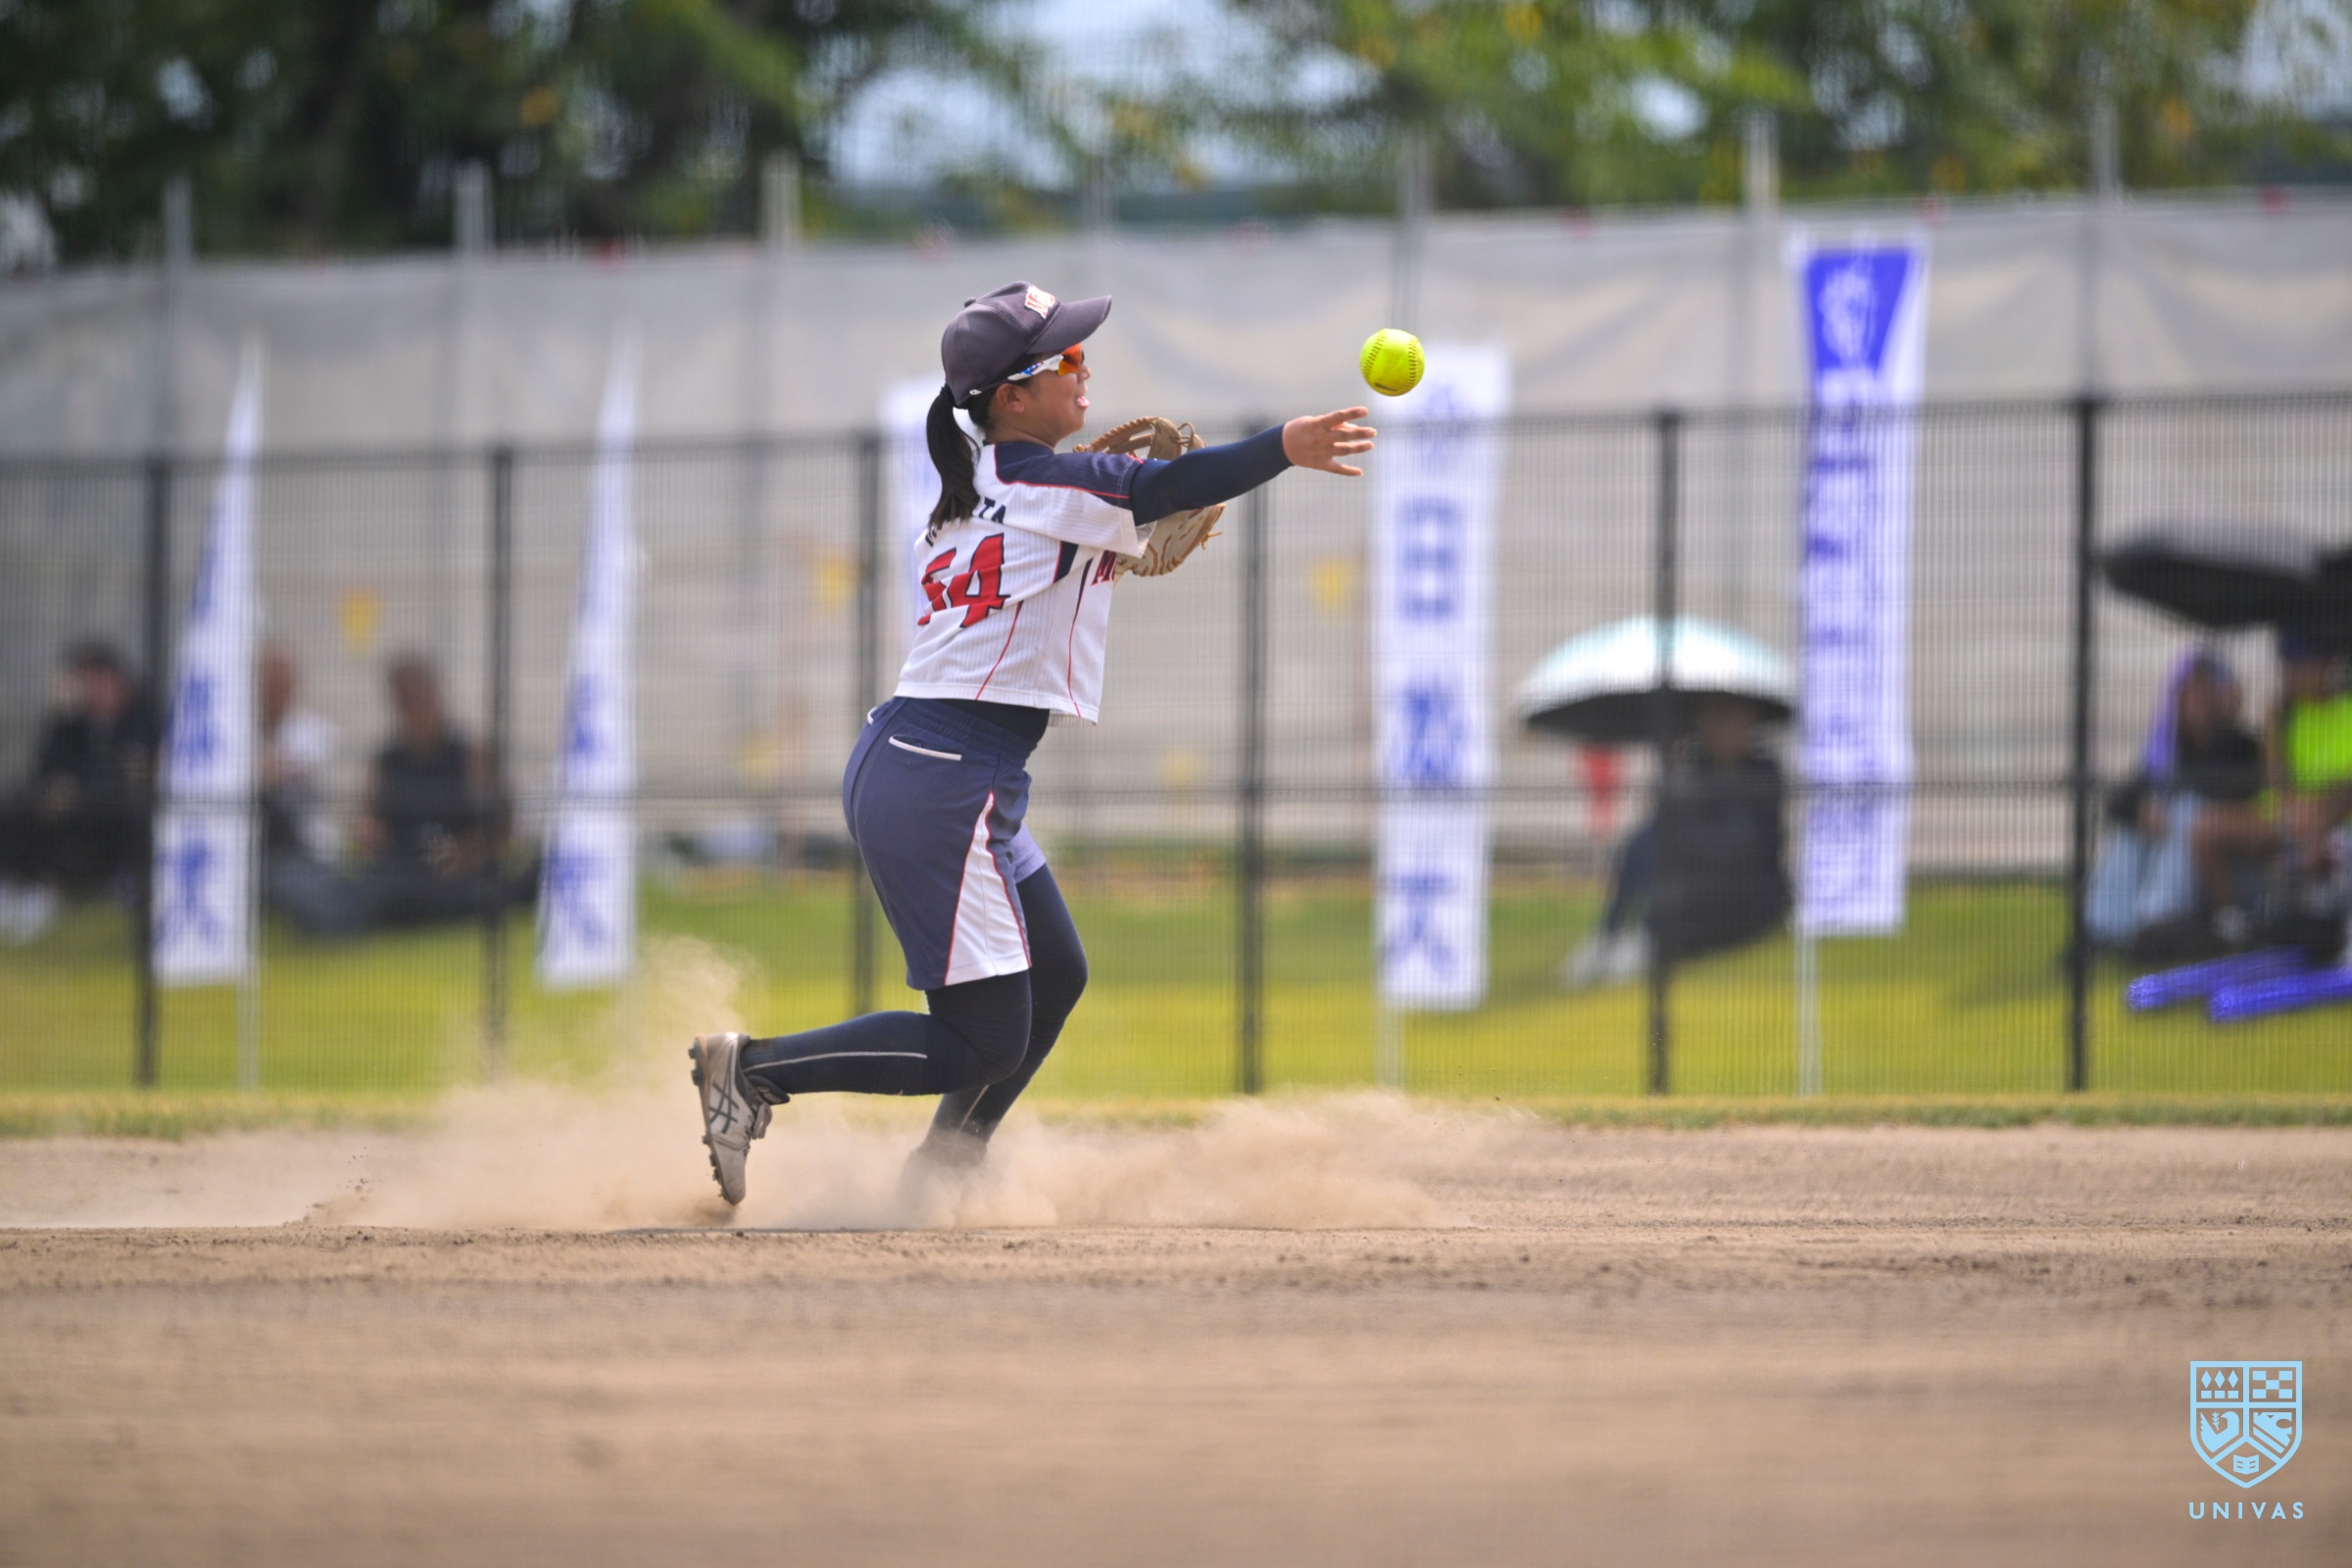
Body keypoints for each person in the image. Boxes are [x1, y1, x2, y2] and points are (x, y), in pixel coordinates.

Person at [686, 280, 1377, 1205]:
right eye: (1067, 358)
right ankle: (755, 1072)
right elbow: (1169, 486)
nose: (1085, 368)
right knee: (981, 1039)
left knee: (1054, 974)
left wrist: (1112, 532)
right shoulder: (1043, 485)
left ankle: (942, 1175)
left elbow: (1074, 539)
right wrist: (1283, 446)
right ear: (1010, 397)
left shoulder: (981, 490)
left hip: (938, 763)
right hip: (944, 776)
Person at [1562, 697, 1789, 987]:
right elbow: (1664, 819)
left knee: (1661, 858)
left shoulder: (1762, 773)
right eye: (1712, 720)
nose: (1721, 730)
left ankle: (1642, 939)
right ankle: (1610, 935)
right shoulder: (1691, 767)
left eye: (1730, 720)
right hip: (1690, 877)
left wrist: (1685, 824)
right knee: (1641, 842)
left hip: (1742, 893)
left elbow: (1740, 845)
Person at [2085, 649, 2266, 956]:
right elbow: (2118, 800)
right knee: (2130, 829)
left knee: (2185, 810)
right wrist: (2141, 812)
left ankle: (2160, 920)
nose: (2195, 700)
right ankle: (2104, 928)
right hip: (2184, 860)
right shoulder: (2168, 749)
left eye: (2204, 690)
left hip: (2233, 873)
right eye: (2188, 692)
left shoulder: (2241, 744)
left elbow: (2224, 789)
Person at [0, 641, 157, 944]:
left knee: (93, 819)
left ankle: (51, 891)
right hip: (65, 809)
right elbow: (45, 769)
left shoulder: (141, 716)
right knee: (16, 808)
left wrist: (80, 791)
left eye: (97, 679)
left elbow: (134, 771)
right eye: (84, 681)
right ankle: (17, 885)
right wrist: (61, 720)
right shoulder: (73, 724)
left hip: (111, 815)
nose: (91, 689)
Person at [349, 654, 516, 928]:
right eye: (407, 699)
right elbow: (368, 820)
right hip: (403, 872)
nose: (417, 707)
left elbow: (501, 826)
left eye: (422, 695)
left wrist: (464, 854)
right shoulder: (386, 761)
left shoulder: (471, 754)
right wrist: (366, 830)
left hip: (460, 874)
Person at [255, 641, 365, 936]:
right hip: (253, 852)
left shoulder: (316, 733)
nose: (275, 685)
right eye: (269, 675)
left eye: (283, 675)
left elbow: (278, 771)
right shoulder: (240, 731)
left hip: (306, 853)